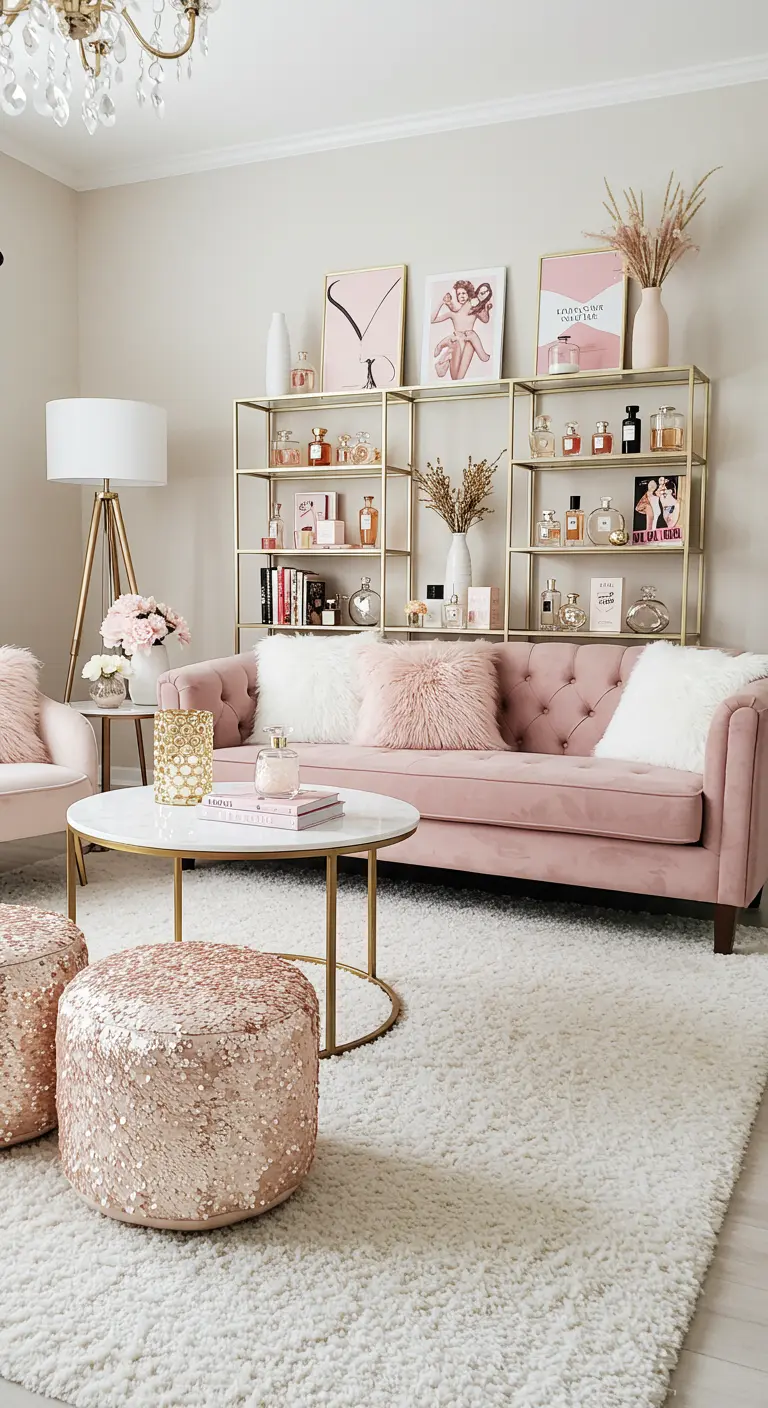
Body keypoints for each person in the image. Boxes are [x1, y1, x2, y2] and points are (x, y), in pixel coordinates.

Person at [431, 279, 493, 380]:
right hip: (457, 342)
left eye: (464, 293)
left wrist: (486, 308)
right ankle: (443, 348)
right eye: (459, 294)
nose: (462, 296)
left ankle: (484, 356)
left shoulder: (475, 309)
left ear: (469, 294)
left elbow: (485, 319)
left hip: (469, 341)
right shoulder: (453, 313)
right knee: (455, 378)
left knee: (459, 378)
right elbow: (432, 320)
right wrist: (441, 303)